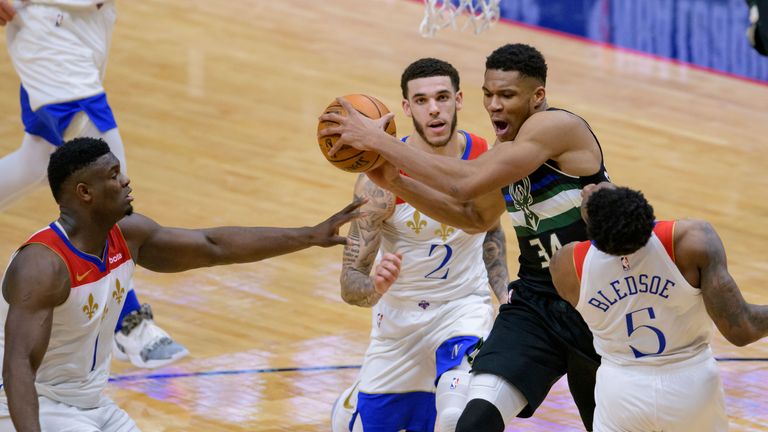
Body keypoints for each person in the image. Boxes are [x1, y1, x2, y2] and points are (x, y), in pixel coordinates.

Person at [320, 43, 611, 431]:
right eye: (488, 95)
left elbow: (466, 184)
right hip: (537, 304)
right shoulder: (504, 151)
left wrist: (376, 141)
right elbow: (473, 218)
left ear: (537, 96)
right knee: (469, 423)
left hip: (595, 300)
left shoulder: (555, 127)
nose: (494, 105)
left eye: (506, 95)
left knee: (606, 424)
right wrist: (392, 179)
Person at [0, 137, 363, 432]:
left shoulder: (127, 237)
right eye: (113, 175)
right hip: (39, 405)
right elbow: (18, 366)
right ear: (84, 192)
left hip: (92, 402)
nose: (125, 180)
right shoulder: (43, 266)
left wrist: (309, 236)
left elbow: (212, 246)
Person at [0, 0, 187, 368]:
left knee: (36, 161)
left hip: (90, 20)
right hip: (47, 24)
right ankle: (126, 324)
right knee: (107, 175)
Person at [329, 58, 509, 432]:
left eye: (442, 97)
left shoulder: (483, 158)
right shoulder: (378, 180)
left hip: (464, 307)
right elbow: (350, 284)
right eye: (423, 100)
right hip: (400, 322)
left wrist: (502, 292)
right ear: (407, 109)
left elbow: (490, 229)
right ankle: (353, 405)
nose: (434, 109)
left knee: (455, 417)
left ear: (459, 100)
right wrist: (374, 287)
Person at [549, 183, 768, 431]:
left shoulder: (565, 266)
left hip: (620, 390)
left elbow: (613, 257)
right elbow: (743, 329)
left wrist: (596, 215)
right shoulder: (691, 241)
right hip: (691, 386)